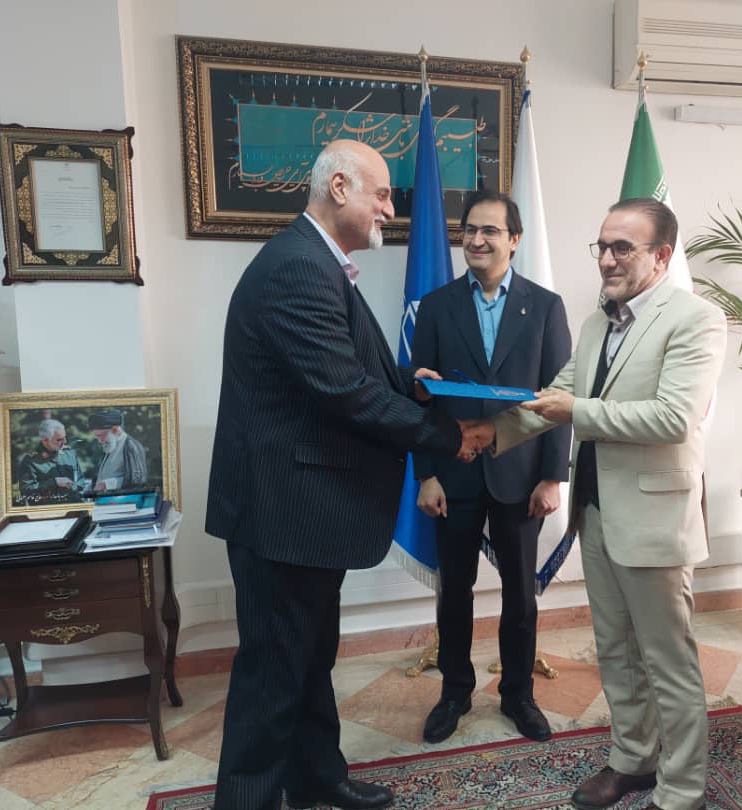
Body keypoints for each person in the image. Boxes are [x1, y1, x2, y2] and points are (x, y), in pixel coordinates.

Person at [205, 139, 487, 810]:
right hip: (283, 514)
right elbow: (344, 393)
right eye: (382, 194)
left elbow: (350, 369)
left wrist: (410, 384)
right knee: (273, 677)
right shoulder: (299, 269)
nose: (390, 209)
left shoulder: (317, 262)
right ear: (339, 188)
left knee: (308, 659)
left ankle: (315, 778)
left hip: (304, 511)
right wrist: (451, 436)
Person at [468, 198, 726, 810]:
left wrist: (576, 411)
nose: (607, 259)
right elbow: (556, 394)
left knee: (667, 660)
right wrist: (486, 433)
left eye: (622, 248)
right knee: (615, 650)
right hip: (598, 513)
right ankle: (633, 759)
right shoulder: (596, 323)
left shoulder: (695, 319)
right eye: (602, 246)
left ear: (661, 256)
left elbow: (673, 417)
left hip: (655, 519)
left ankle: (682, 788)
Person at [411, 191, 571, 744]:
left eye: (490, 231)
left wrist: (552, 476)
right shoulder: (435, 306)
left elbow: (558, 396)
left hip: (520, 476)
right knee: (453, 592)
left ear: (515, 240)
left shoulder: (545, 307)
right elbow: (420, 399)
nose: (476, 240)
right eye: (469, 230)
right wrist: (426, 474)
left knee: (520, 595)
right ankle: (454, 692)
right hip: (452, 474)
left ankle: (518, 695)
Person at [17, 418, 84, 503]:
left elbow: (81, 481)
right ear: (45, 440)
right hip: (50, 509)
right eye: (59, 439)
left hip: (74, 506)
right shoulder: (30, 461)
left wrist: (75, 489)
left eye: (64, 437)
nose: (65, 441)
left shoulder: (69, 454)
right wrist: (54, 482)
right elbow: (26, 492)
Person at [88, 410, 147, 493]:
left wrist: (107, 484)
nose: (99, 441)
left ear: (115, 430)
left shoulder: (131, 445)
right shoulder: (110, 446)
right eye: (97, 437)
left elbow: (138, 479)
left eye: (101, 436)